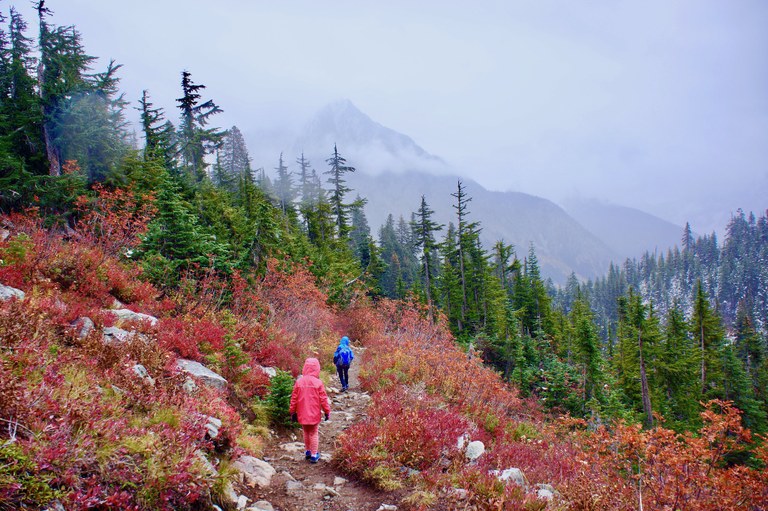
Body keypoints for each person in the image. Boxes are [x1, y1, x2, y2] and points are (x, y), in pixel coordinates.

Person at [289, 357, 330, 463]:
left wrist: (292, 411)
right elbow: (323, 399)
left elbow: (294, 398)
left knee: (306, 431)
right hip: (314, 413)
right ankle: (314, 454)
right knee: (314, 432)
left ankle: (307, 451)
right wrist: (327, 411)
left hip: (302, 412)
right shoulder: (318, 383)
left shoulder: (299, 382)